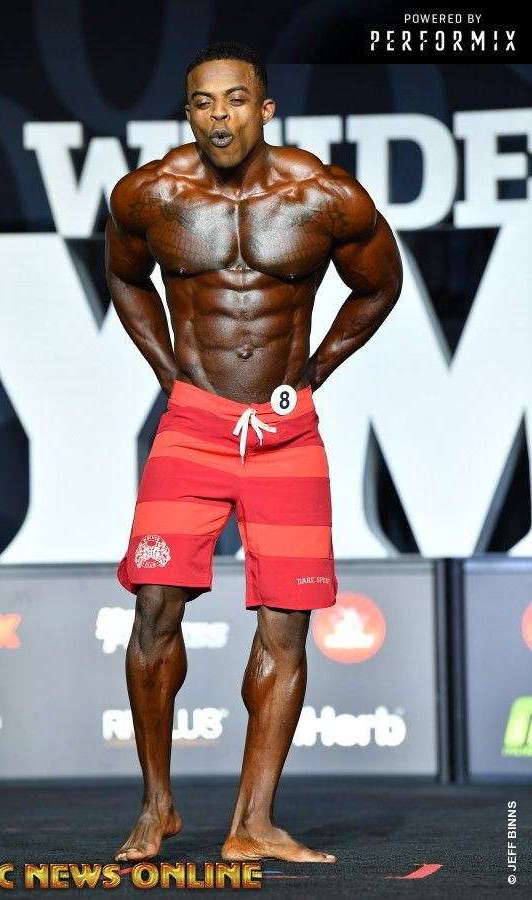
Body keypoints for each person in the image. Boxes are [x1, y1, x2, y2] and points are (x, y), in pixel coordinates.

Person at [105, 41, 402, 864]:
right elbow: (125, 277)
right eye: (204, 102)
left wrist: (316, 370)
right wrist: (168, 373)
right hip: (193, 427)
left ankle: (253, 823)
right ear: (188, 113)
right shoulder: (151, 194)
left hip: (285, 434)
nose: (220, 116)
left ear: (264, 109)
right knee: (155, 610)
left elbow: (380, 284)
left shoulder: (325, 196)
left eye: (236, 100)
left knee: (286, 625)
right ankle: (157, 805)